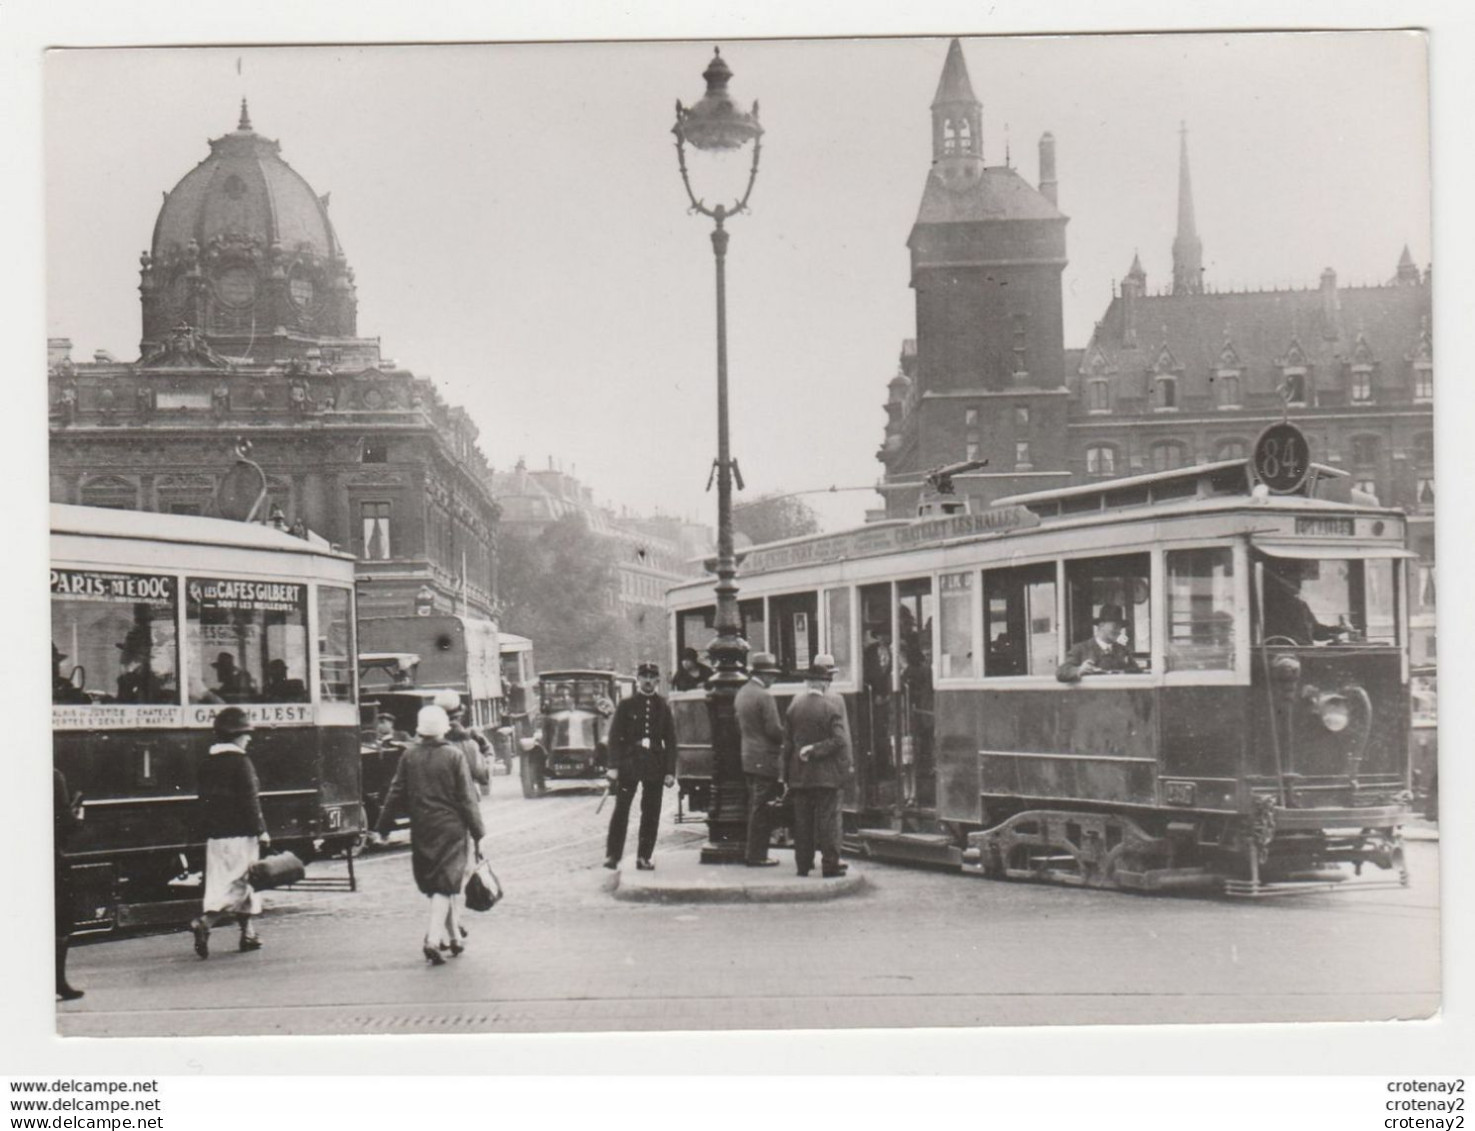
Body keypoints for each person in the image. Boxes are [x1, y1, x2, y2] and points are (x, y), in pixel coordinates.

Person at [375, 705, 486, 966]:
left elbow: (395, 792)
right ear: (443, 729)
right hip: (451, 828)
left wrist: (382, 826)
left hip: (422, 827)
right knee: (445, 885)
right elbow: (467, 798)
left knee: (438, 885)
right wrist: (479, 832)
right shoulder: (453, 756)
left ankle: (455, 936)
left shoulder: (409, 756)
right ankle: (433, 940)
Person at [189, 707, 269, 959]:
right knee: (241, 883)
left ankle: (248, 933)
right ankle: (205, 922)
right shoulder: (241, 762)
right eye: (246, 734)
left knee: (224, 882)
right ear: (236, 736)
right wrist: (261, 831)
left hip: (216, 837)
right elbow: (250, 800)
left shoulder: (208, 762)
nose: (249, 738)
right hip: (241, 834)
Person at [781, 654, 852, 878]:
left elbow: (787, 745)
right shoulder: (830, 707)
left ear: (807, 682)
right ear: (822, 683)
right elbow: (840, 740)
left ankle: (803, 866)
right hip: (826, 777)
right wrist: (815, 750)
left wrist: (786, 777)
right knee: (828, 822)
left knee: (802, 823)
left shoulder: (794, 707)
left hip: (799, 777)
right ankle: (830, 866)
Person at [603, 661, 677, 871]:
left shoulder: (663, 706)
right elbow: (614, 737)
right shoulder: (626, 705)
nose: (647, 681)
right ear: (638, 680)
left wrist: (670, 771)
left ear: (657, 681)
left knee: (651, 812)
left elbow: (671, 741)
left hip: (655, 764)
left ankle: (644, 857)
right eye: (643, 676)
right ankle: (613, 856)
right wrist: (613, 766)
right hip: (629, 763)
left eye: (651, 677)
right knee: (621, 810)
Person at [735, 651, 785, 867]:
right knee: (762, 809)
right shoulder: (764, 696)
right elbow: (773, 730)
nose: (773, 678)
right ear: (763, 675)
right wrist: (789, 737)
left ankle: (754, 852)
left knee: (754, 806)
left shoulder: (742, 692)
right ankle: (757, 855)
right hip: (765, 759)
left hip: (748, 756)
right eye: (772, 674)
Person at [54, 767, 84, 1001]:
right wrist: (76, 815)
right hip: (51, 856)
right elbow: (66, 823)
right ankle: (59, 981)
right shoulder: (53, 776)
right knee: (61, 920)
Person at [1261, 562, 1343, 645]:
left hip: (1304, 651)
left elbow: (1316, 632)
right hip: (1289, 652)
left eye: (1299, 582)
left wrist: (1337, 630)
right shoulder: (1276, 606)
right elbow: (1282, 634)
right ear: (1282, 584)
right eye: (1293, 581)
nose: (1299, 586)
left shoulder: (1301, 605)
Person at [1056, 605, 1142, 682]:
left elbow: (1138, 672)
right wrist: (1079, 670)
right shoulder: (1081, 649)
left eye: (1120, 627)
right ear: (1101, 625)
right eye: (1115, 626)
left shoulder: (1123, 651)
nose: (1118, 631)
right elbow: (1062, 672)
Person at [435, 691, 490, 794]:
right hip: (462, 800)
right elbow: (483, 775)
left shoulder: (416, 748)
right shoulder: (470, 744)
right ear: (460, 715)